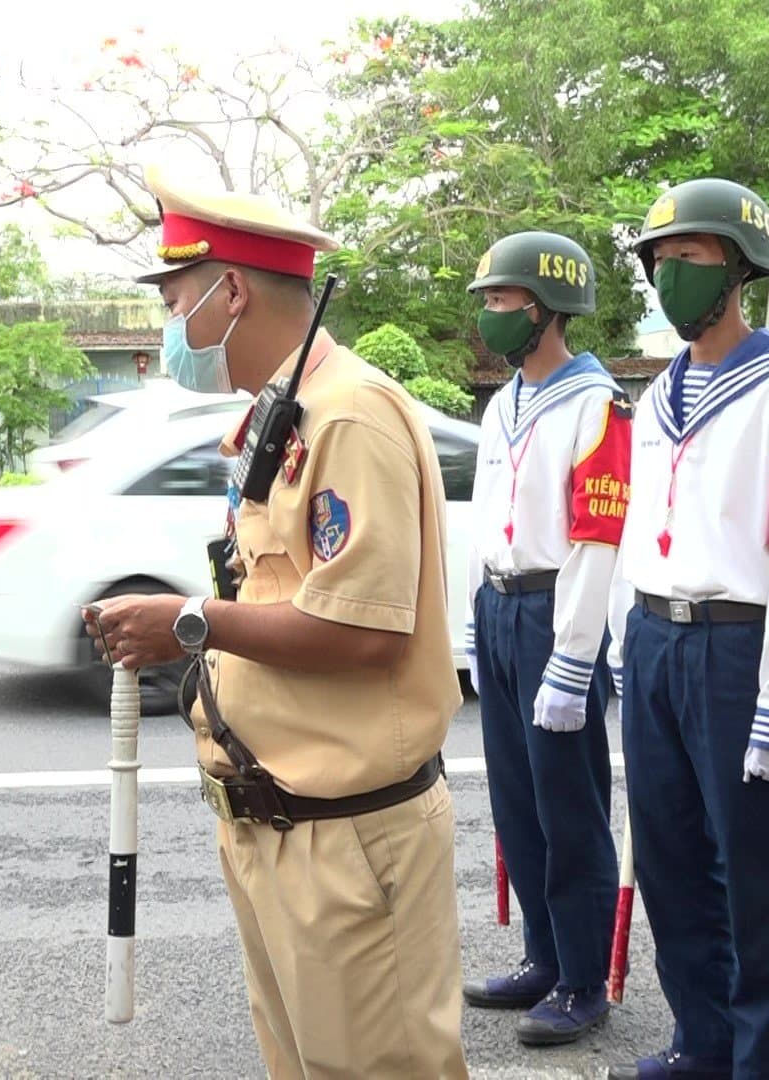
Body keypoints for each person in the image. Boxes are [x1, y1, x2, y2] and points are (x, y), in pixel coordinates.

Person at [85, 167, 468, 1079]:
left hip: (348, 836)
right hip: (277, 825)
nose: (170, 328)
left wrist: (187, 624)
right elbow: (275, 587)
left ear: (231, 291)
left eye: (175, 300)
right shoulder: (280, 413)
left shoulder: (351, 417)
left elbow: (365, 630)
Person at [604, 178, 769, 1079]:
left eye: (690, 260)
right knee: (669, 863)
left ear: (738, 269)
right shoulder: (659, 392)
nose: (670, 278)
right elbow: (639, 526)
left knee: (756, 881)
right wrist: (631, 641)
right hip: (659, 637)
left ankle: (762, 1062)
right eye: (660, 262)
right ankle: (702, 1041)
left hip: (738, 647)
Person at [457, 231, 629, 1047]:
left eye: (502, 301)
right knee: (516, 800)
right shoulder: (503, 405)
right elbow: (490, 519)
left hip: (557, 613)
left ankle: (583, 979)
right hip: (501, 609)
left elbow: (596, 539)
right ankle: (542, 953)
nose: (489, 315)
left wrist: (572, 658)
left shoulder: (596, 405)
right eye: (487, 301)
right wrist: (473, 614)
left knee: (570, 806)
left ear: (546, 307)